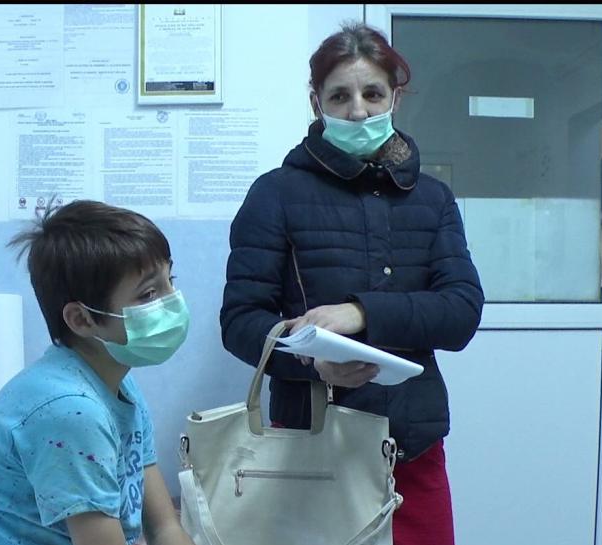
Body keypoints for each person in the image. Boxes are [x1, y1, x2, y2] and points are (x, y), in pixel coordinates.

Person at [219, 22, 484, 545]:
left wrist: (360, 313)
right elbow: (240, 322)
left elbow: (461, 312)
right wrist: (312, 362)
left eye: (372, 94)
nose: (358, 111)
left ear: (395, 98)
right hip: (311, 447)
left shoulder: (432, 198)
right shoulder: (275, 194)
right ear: (316, 102)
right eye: (340, 96)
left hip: (412, 446)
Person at [0, 200, 196, 545]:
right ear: (81, 319)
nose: (172, 300)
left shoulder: (119, 384)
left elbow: (164, 527)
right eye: (149, 293)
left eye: (170, 280)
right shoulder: (71, 410)